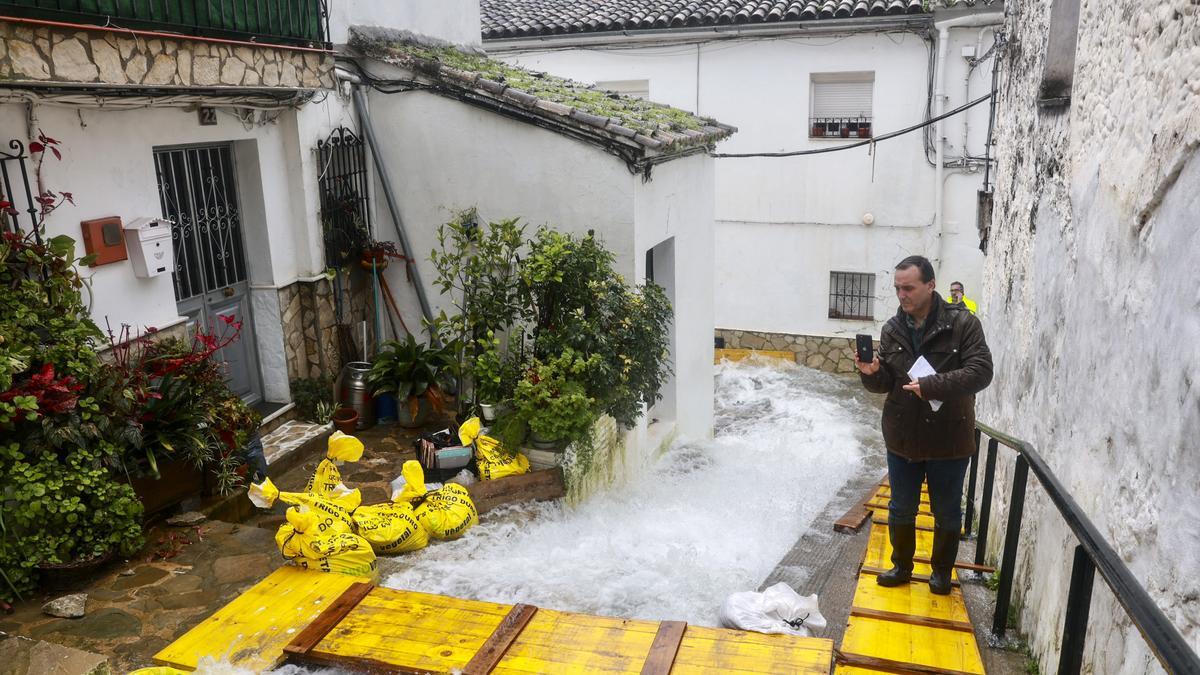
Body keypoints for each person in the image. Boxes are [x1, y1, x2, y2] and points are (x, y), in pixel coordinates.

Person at [854, 256, 993, 594]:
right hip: (903, 435)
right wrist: (871, 373)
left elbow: (981, 371)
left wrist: (931, 385)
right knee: (901, 506)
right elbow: (888, 381)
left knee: (946, 510)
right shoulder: (891, 329)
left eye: (909, 288)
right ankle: (901, 566)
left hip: (949, 436)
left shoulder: (963, 323)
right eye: (898, 288)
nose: (902, 295)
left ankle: (942, 574)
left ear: (930, 285)